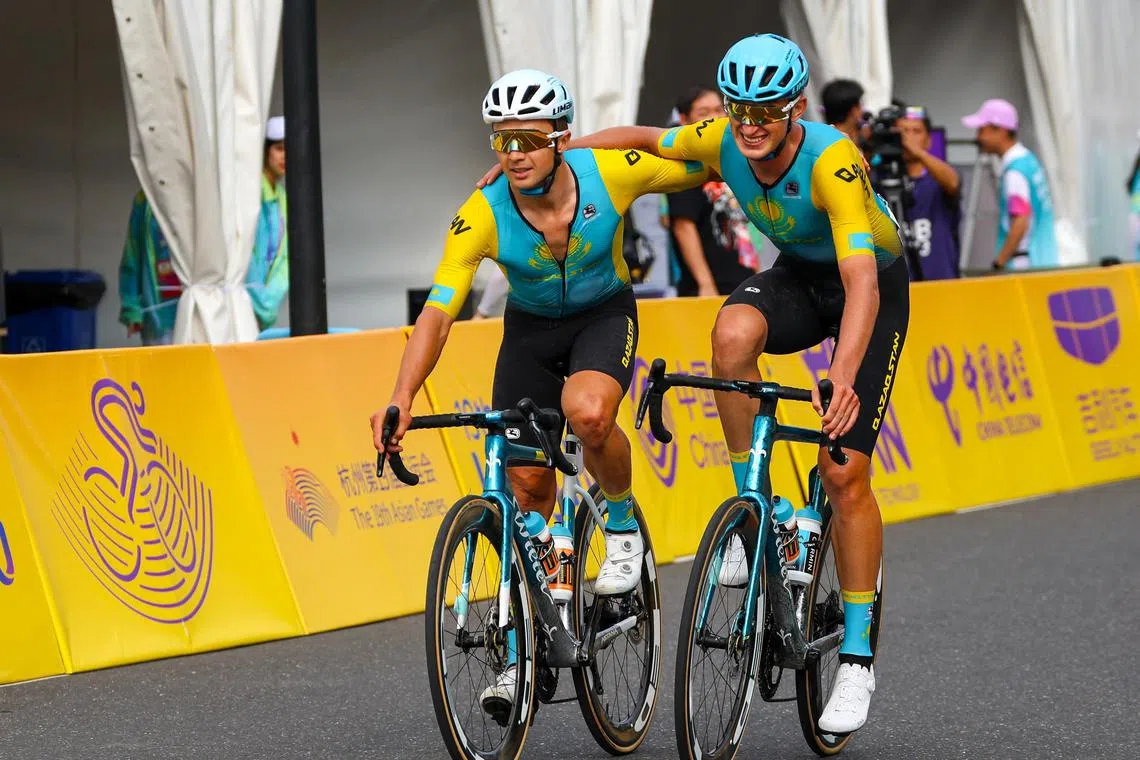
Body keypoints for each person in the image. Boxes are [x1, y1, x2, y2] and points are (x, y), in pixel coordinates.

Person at [503, 34, 910, 735]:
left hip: (869, 284)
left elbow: (862, 280)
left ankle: (857, 657)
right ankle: (763, 513)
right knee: (730, 335)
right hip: (799, 278)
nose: (750, 125)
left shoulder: (832, 160)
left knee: (844, 473)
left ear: (798, 108)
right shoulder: (723, 137)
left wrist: (842, 377)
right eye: (739, 110)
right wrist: (548, 153)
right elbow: (645, 137)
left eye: (766, 112)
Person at [371, 69, 708, 714]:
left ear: (559, 137)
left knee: (587, 414)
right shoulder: (481, 214)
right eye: (502, 140)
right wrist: (401, 396)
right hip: (528, 332)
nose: (514, 153)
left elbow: (700, 161)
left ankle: (619, 523)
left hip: (604, 315)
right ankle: (525, 643)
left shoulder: (610, 172)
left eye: (527, 137)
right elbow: (439, 312)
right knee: (527, 491)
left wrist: (620, 140)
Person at [666, 86, 760, 297]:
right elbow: (683, 227)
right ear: (683, 119)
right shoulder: (684, 164)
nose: (715, 118)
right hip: (710, 288)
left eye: (720, 110)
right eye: (704, 113)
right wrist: (705, 284)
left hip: (742, 281)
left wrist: (755, 273)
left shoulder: (728, 159)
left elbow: (739, 225)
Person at [961, 98, 1057, 271]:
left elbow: (1020, 221)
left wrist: (999, 262)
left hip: (1025, 264)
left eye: (981, 130)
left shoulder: (1015, 172)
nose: (978, 137)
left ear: (1001, 131)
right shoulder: (1028, 160)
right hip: (1042, 259)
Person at [897, 105, 962, 279]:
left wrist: (916, 151)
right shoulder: (883, 181)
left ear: (928, 140)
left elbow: (953, 182)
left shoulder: (938, 180)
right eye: (902, 132)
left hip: (940, 284)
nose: (908, 138)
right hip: (904, 291)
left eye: (916, 131)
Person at [118, 189, 182, 345]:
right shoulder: (145, 197)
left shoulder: (204, 187)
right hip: (158, 315)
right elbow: (133, 253)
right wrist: (131, 307)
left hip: (203, 309)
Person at [246, 115, 290, 331]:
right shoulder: (250, 192)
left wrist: (269, 301)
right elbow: (246, 253)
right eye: (280, 148)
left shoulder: (282, 197)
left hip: (266, 310)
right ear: (265, 151)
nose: (285, 156)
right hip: (242, 303)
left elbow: (285, 257)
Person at [821, 78, 867, 145]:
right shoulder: (840, 143)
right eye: (860, 105)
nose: (863, 110)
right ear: (853, 110)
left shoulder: (821, 139)